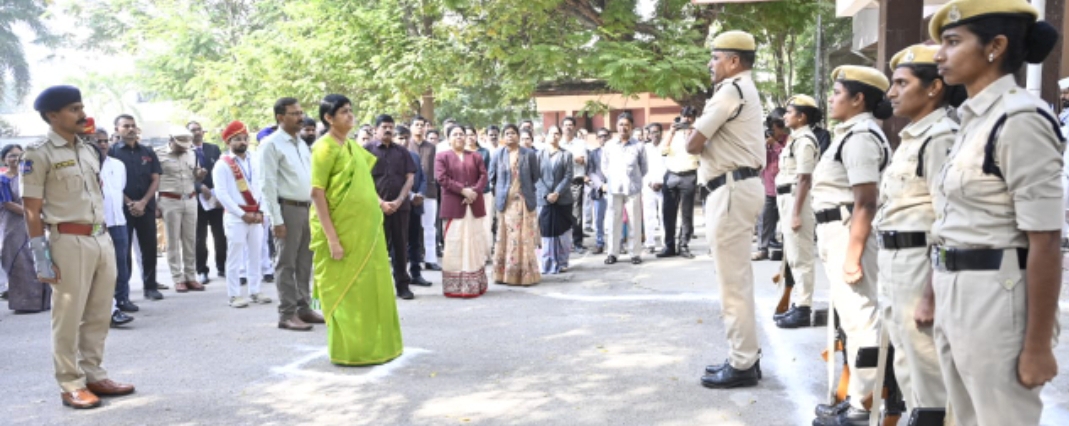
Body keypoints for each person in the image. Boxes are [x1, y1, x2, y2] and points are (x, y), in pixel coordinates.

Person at [930, 1, 1062, 424]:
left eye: (953, 42)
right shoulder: (973, 118)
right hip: (956, 288)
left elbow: (1046, 239)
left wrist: (1037, 346)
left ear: (995, 46)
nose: (939, 55)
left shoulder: (1020, 118)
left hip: (995, 295)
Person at [869, 43, 965, 420]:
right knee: (907, 365)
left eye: (901, 83)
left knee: (930, 374)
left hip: (919, 265)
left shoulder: (941, 137)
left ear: (934, 88)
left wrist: (931, 293)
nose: (891, 93)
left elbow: (949, 221)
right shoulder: (914, 136)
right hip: (896, 261)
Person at [24, 85, 134, 409]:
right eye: (74, 109)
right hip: (68, 241)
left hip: (101, 237)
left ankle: (94, 374)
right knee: (68, 317)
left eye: (81, 107)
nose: (82, 114)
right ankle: (70, 383)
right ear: (52, 115)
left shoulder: (87, 149)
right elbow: (31, 210)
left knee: (99, 313)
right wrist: (41, 259)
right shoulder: (38, 153)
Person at [809, 65, 892, 426]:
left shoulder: (860, 137)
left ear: (858, 99)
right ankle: (858, 397)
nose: (831, 99)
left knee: (861, 320)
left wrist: (853, 255)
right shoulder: (849, 134)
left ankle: (863, 406)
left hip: (849, 232)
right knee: (853, 320)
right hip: (837, 231)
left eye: (838, 93)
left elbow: (866, 201)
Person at [686, 31, 766, 389]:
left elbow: (692, 144)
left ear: (734, 61)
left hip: (731, 189)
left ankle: (743, 362)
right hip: (736, 187)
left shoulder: (731, 90)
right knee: (737, 280)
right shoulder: (742, 88)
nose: (711, 63)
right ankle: (745, 356)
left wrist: (693, 138)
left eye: (716, 57)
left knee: (732, 284)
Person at [309, 94, 404, 365]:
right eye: (343, 112)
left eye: (351, 110)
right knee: (345, 291)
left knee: (370, 288)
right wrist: (333, 240)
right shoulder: (323, 148)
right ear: (329, 118)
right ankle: (350, 351)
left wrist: (379, 203)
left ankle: (377, 347)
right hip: (341, 233)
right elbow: (317, 193)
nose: (350, 115)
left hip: (366, 232)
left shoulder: (352, 147)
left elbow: (363, 184)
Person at [258, 97, 325, 331]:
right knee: (286, 263)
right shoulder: (271, 144)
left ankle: (304, 308)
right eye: (294, 113)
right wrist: (276, 220)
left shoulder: (301, 143)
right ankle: (287, 314)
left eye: (301, 113)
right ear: (280, 117)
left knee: (305, 261)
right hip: (287, 209)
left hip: (307, 208)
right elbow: (267, 185)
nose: (300, 117)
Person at [772, 95, 821, 329]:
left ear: (801, 117)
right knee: (792, 254)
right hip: (787, 199)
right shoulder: (796, 139)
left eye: (789, 112)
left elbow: (804, 178)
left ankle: (803, 307)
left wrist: (796, 213)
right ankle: (799, 303)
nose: (784, 116)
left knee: (801, 256)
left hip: (796, 199)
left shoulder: (805, 141)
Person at [213, 121, 272, 308]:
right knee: (235, 255)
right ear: (229, 142)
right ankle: (234, 295)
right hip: (236, 216)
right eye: (237, 139)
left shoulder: (255, 160)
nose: (242, 142)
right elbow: (222, 194)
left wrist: (261, 210)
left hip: (256, 214)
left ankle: (255, 290)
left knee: (256, 254)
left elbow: (263, 185)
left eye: (245, 138)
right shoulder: (222, 164)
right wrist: (241, 214)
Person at [108, 114, 164, 301]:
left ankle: (150, 287)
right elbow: (111, 183)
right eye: (126, 126)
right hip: (123, 209)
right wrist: (129, 203)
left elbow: (155, 178)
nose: (130, 129)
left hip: (146, 207)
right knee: (123, 251)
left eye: (133, 125)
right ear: (117, 130)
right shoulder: (112, 153)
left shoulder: (147, 151)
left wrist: (144, 202)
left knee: (149, 248)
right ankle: (123, 293)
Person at [365, 115, 418, 299]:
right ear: (375, 129)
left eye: (391, 127)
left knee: (401, 247)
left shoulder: (402, 152)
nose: (388, 130)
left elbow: (410, 178)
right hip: (375, 208)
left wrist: (399, 200)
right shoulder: (366, 151)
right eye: (384, 127)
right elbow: (363, 180)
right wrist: (380, 202)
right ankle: (377, 288)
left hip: (400, 208)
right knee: (377, 249)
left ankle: (403, 286)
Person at [435, 125, 490, 298]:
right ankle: (455, 287)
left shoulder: (475, 156)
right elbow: (441, 178)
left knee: (474, 243)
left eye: (461, 134)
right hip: (454, 205)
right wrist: (462, 190)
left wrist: (473, 192)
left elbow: (484, 176)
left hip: (473, 205)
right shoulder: (442, 156)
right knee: (455, 244)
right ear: (448, 138)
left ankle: (474, 285)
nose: (459, 137)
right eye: (455, 134)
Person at [91, 125, 137, 325]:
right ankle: (106, 308)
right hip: (96, 225)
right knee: (103, 268)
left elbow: (119, 191)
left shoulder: (118, 165)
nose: (102, 145)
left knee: (121, 262)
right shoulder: (85, 165)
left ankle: (122, 299)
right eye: (97, 141)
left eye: (105, 141)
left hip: (118, 220)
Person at [0, 143, 50, 313]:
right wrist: (33, 213)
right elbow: (8, 203)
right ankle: (25, 304)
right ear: (4, 160)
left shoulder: (30, 176)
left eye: (20, 155)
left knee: (40, 258)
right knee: (20, 263)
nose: (16, 159)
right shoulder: (3, 180)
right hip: (14, 227)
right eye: (12, 155)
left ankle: (44, 302)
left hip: (35, 222)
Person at [489, 124, 541, 286]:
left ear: (518, 136)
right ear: (503, 137)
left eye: (513, 133)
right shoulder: (498, 154)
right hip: (505, 202)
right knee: (506, 237)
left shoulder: (529, 154)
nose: (510, 136)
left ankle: (524, 275)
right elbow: (492, 177)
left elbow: (535, 176)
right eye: (507, 133)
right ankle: (504, 275)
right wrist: (502, 193)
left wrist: (521, 189)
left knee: (523, 237)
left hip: (523, 201)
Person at [157, 126, 205, 293]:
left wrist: (200, 175)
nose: (184, 148)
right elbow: (153, 178)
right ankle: (177, 278)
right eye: (180, 144)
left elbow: (194, 176)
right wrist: (156, 203)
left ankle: (191, 276)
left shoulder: (192, 153)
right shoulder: (158, 154)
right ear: (171, 140)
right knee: (172, 240)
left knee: (190, 239)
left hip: (190, 199)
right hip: (169, 199)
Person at [601, 113, 647, 265]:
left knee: (635, 222)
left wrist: (633, 179)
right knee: (613, 222)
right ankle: (612, 253)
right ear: (616, 126)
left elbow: (644, 168)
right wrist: (613, 179)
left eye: (626, 125)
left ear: (631, 127)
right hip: (614, 189)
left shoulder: (639, 146)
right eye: (621, 124)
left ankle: (635, 253)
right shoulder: (609, 145)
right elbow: (604, 167)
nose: (623, 127)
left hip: (632, 189)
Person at [188, 121, 226, 285]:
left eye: (199, 129)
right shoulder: (186, 152)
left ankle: (222, 266)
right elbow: (184, 177)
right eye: (193, 130)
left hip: (215, 198)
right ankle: (202, 270)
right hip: (196, 199)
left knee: (220, 234)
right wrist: (199, 187)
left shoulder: (213, 149)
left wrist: (220, 194)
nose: (197, 132)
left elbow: (221, 172)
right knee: (199, 237)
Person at [658, 107, 699, 259]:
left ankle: (683, 245)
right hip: (671, 175)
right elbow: (663, 151)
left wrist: (690, 136)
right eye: (684, 116)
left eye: (690, 117)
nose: (687, 119)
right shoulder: (673, 132)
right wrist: (671, 132)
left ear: (694, 118)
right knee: (668, 213)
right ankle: (669, 246)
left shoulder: (697, 132)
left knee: (686, 214)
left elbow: (698, 151)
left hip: (689, 175)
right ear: (680, 116)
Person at [397, 125, 432, 287]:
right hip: (399, 205)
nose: (404, 141)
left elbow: (423, 178)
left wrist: (420, 194)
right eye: (400, 138)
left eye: (406, 138)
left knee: (415, 241)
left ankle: (416, 274)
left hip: (416, 204)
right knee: (399, 243)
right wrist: (410, 195)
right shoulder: (391, 157)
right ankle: (400, 276)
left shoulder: (414, 156)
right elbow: (395, 182)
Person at [537, 126, 575, 274]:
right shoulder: (539, 155)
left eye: (557, 133)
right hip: (544, 200)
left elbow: (568, 176)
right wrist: (547, 194)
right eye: (551, 133)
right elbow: (536, 177)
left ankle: (562, 261)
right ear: (546, 135)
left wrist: (557, 192)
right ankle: (547, 263)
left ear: (560, 136)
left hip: (563, 199)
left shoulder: (566, 155)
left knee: (563, 231)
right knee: (546, 232)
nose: (554, 136)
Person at [754, 108, 788, 261]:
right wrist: (763, 146)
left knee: (786, 219)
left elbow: (788, 156)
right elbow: (756, 160)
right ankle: (762, 248)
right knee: (765, 219)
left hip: (785, 186)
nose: (778, 131)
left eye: (779, 127)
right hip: (767, 186)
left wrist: (775, 144)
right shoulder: (763, 141)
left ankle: (788, 249)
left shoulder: (788, 140)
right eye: (774, 128)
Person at [410, 117, 441, 272]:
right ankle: (414, 259)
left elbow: (435, 169)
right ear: (411, 127)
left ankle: (431, 259)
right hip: (410, 191)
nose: (420, 128)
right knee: (412, 228)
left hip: (429, 191)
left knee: (429, 227)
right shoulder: (406, 146)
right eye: (416, 125)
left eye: (422, 125)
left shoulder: (431, 147)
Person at [561, 117, 589, 253]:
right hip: (560, 181)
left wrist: (565, 157)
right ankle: (564, 243)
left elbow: (581, 160)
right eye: (566, 125)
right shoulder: (558, 142)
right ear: (562, 127)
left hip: (575, 181)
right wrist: (573, 157)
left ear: (574, 127)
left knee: (576, 213)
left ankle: (577, 242)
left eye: (570, 125)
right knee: (562, 212)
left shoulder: (580, 143)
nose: (568, 127)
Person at [465, 125, 494, 253]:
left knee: (485, 223)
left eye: (472, 134)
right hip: (464, 194)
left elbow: (486, 173)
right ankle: (471, 253)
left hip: (483, 192)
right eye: (466, 135)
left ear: (476, 136)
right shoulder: (459, 153)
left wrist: (477, 189)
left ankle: (484, 253)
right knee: (468, 224)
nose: (469, 137)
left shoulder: (484, 152)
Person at [641, 123, 666, 254]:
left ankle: (665, 243)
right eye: (652, 132)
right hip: (648, 186)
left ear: (661, 133)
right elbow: (642, 169)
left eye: (657, 132)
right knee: (649, 216)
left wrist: (662, 182)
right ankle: (650, 243)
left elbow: (670, 166)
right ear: (649, 135)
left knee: (664, 215)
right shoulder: (645, 149)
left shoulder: (667, 147)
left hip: (664, 186)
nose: (655, 135)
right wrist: (650, 183)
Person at [587, 128, 611, 254]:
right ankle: (599, 243)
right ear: (597, 138)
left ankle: (616, 244)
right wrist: (600, 185)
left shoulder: (615, 151)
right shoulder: (593, 154)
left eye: (605, 135)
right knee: (598, 219)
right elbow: (591, 171)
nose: (603, 138)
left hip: (614, 188)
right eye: (600, 136)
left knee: (614, 218)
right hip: (599, 190)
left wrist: (610, 184)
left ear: (610, 137)